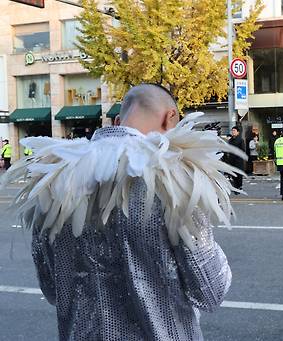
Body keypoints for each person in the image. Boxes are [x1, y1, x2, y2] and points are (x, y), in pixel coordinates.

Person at [8, 84, 234, 340]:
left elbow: (51, 287)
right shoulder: (174, 178)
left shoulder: (55, 176)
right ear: (170, 117)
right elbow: (210, 291)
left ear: (117, 120)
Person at [226, 126, 245, 191]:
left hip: (238, 160)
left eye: (234, 130)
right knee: (233, 173)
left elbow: (242, 150)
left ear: (238, 132)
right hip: (231, 160)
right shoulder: (230, 140)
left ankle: (239, 186)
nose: (233, 132)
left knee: (239, 174)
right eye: (232, 130)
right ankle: (235, 186)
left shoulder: (240, 140)